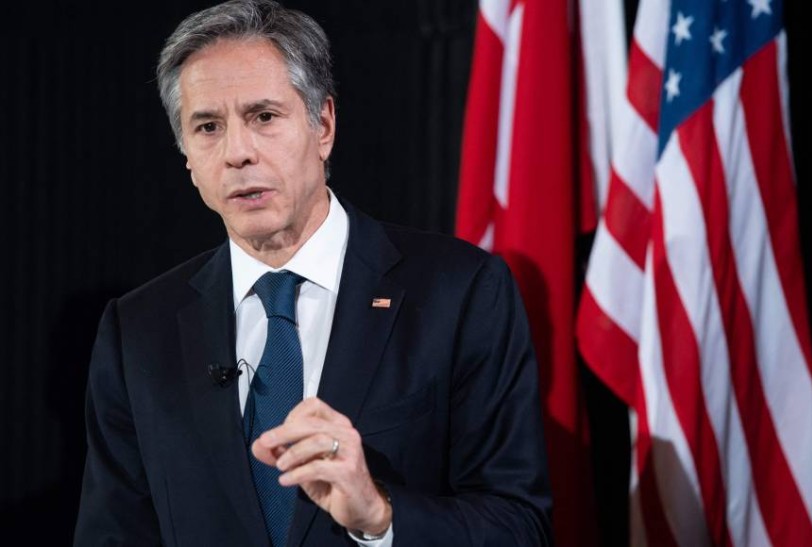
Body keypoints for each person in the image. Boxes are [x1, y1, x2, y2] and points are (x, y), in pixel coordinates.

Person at [74, 1, 552, 545]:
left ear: (322, 125)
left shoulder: (459, 293)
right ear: (187, 157)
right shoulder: (138, 330)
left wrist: (380, 516)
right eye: (208, 126)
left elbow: (521, 526)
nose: (237, 153)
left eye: (264, 117)